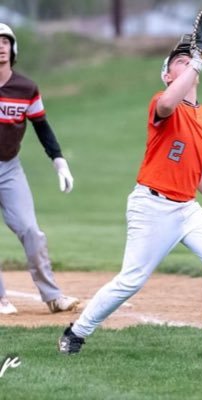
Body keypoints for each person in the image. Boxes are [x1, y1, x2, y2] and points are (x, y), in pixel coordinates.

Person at [58, 35, 202, 358]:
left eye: (191, 59)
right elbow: (168, 104)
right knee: (131, 280)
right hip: (152, 206)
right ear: (168, 76)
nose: (188, 61)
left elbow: (195, 165)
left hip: (187, 208)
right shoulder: (161, 102)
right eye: (179, 62)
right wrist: (197, 62)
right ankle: (76, 332)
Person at [0, 23, 79, 315]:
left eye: (5, 41)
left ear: (13, 48)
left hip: (9, 168)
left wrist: (59, 161)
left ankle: (53, 296)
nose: (0, 47)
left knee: (31, 230)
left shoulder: (26, 88)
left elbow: (42, 127)